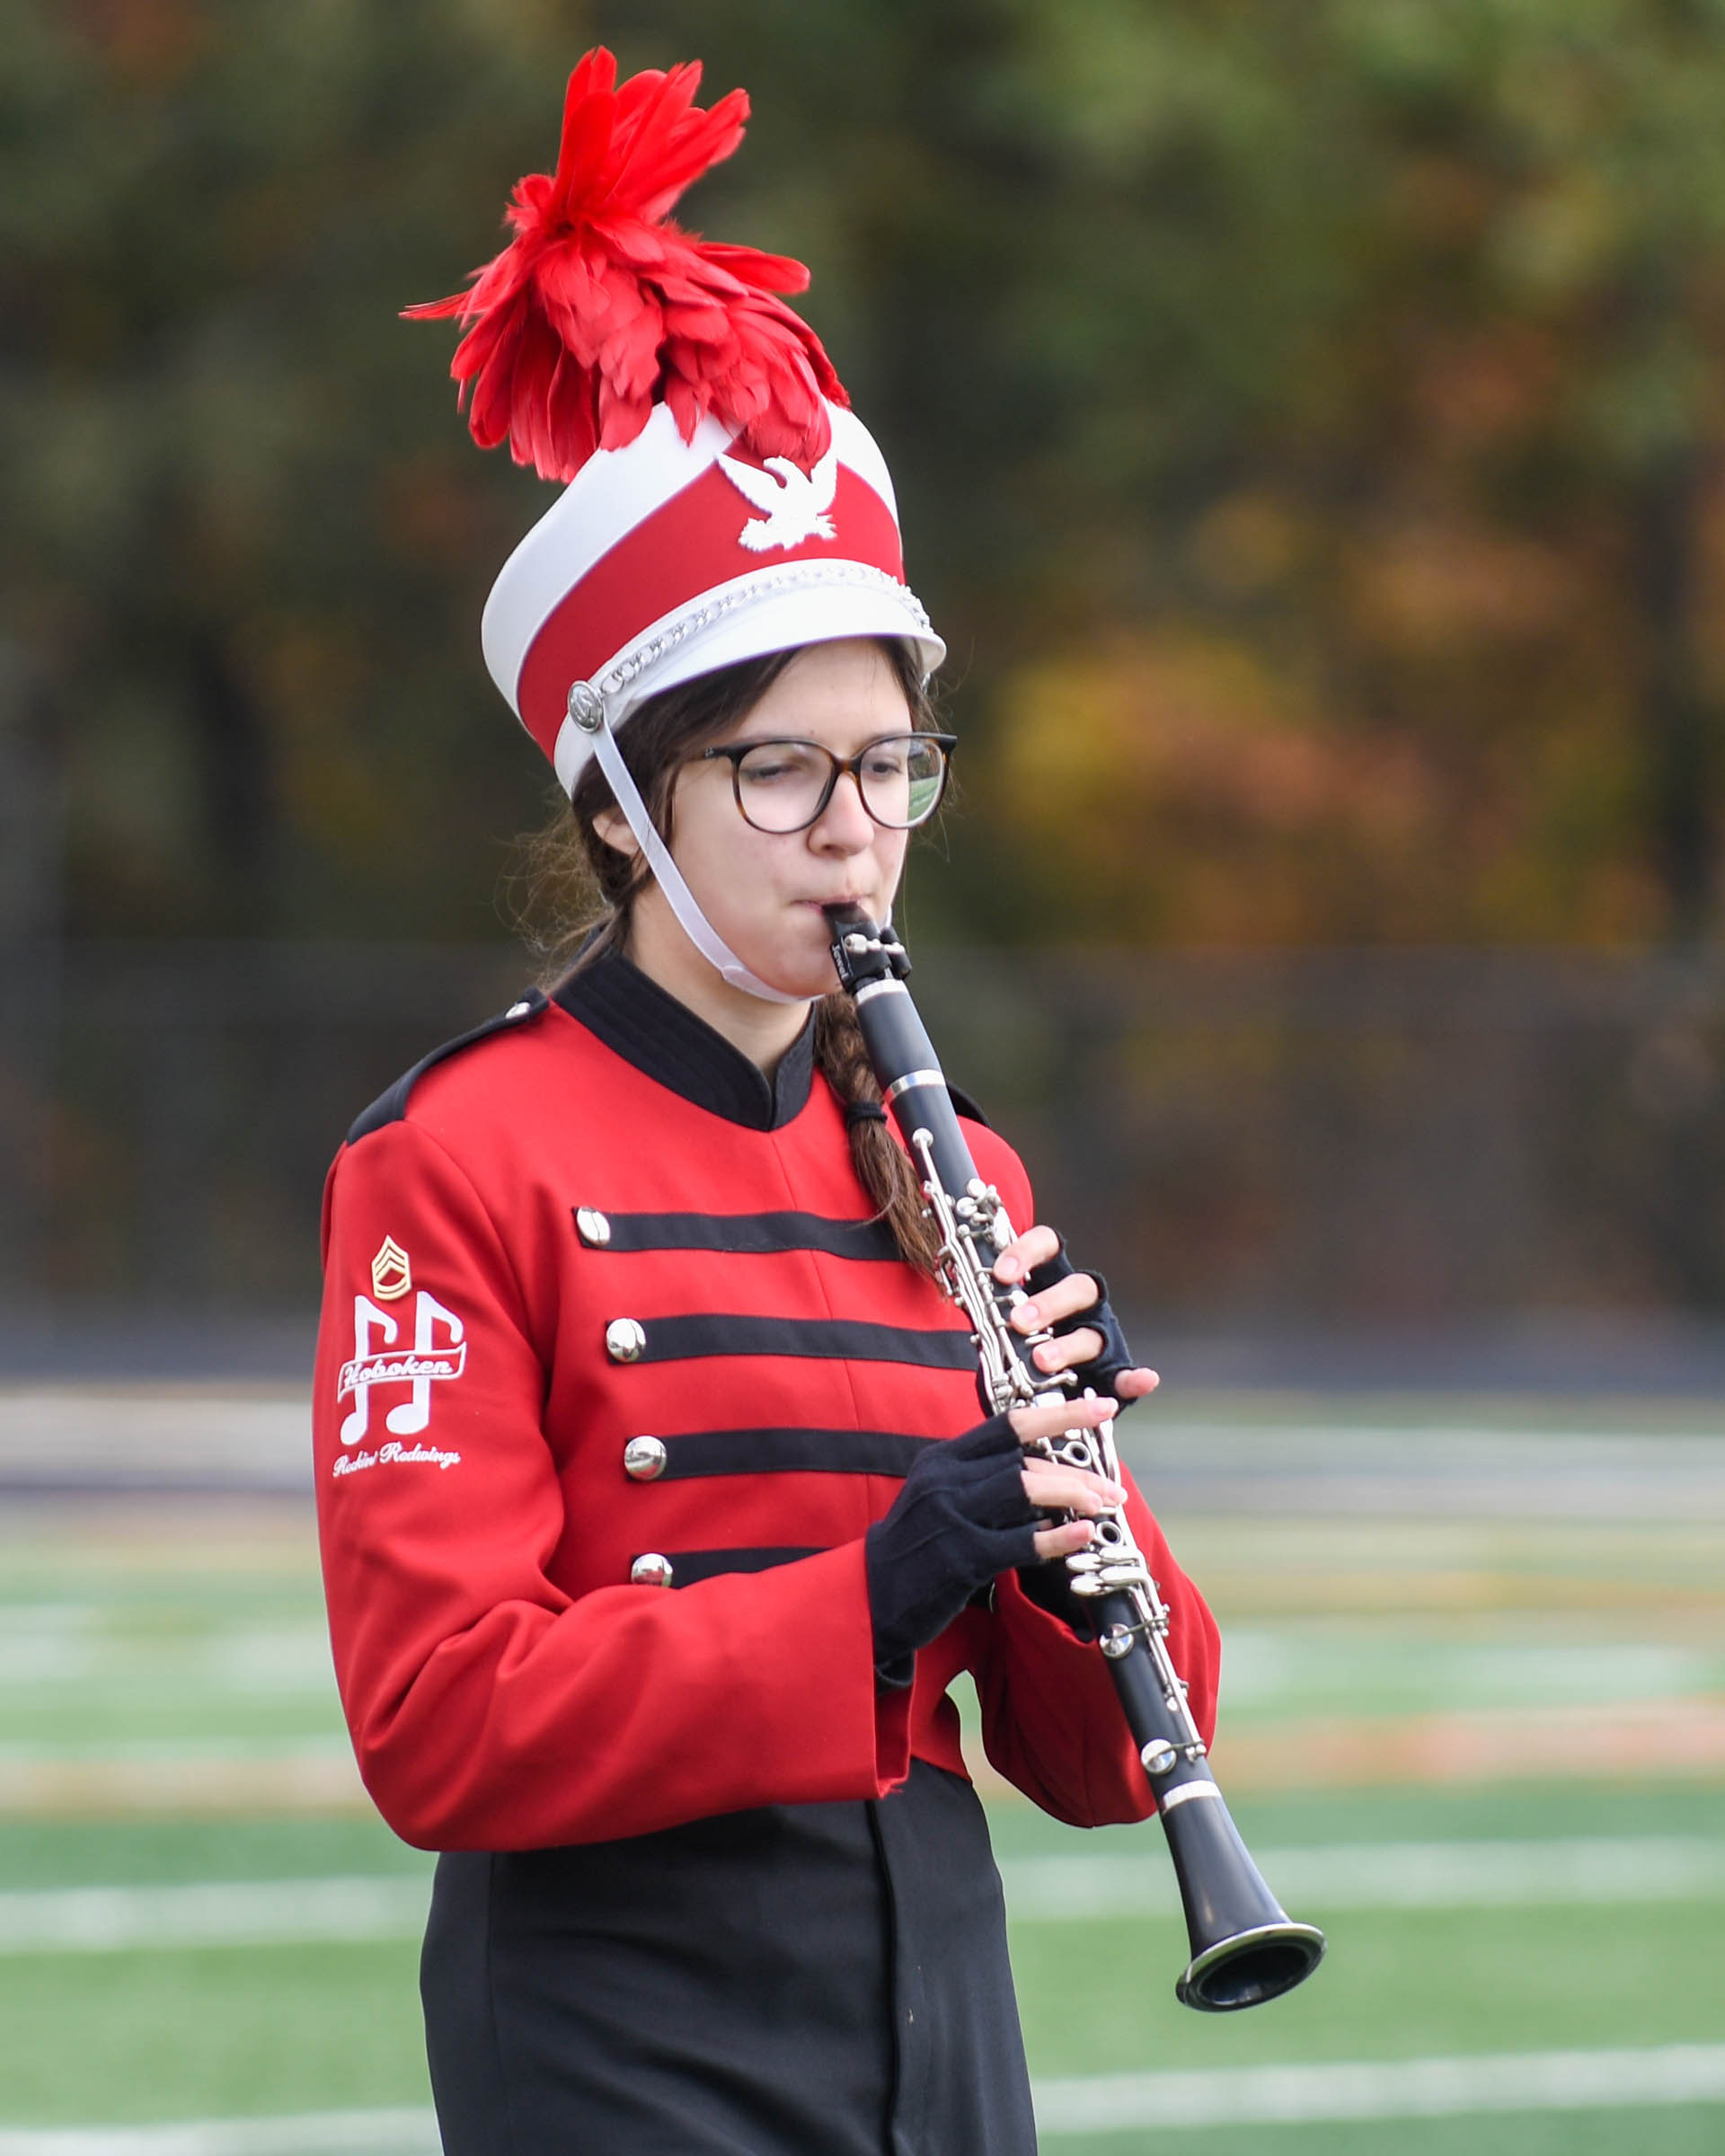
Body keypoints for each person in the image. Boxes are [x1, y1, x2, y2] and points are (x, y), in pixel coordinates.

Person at [312, 49, 1219, 2156]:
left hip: (936, 1985)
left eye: (890, 768)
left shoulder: (952, 1164)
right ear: (628, 804)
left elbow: (1089, 1762)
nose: (855, 835)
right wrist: (879, 1584)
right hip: (617, 2012)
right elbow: (440, 1729)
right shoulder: (458, 1157)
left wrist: (1085, 1533)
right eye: (782, 774)